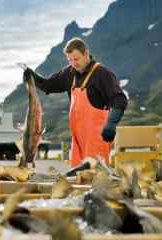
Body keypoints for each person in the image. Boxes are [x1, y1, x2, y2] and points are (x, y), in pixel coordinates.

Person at [23, 37, 127, 166]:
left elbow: (119, 99)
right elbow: (48, 85)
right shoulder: (69, 73)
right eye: (70, 59)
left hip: (97, 139)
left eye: (76, 59)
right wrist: (32, 77)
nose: (73, 63)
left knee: (96, 178)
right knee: (77, 178)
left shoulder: (102, 74)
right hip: (77, 140)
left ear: (86, 54)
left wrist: (111, 124)